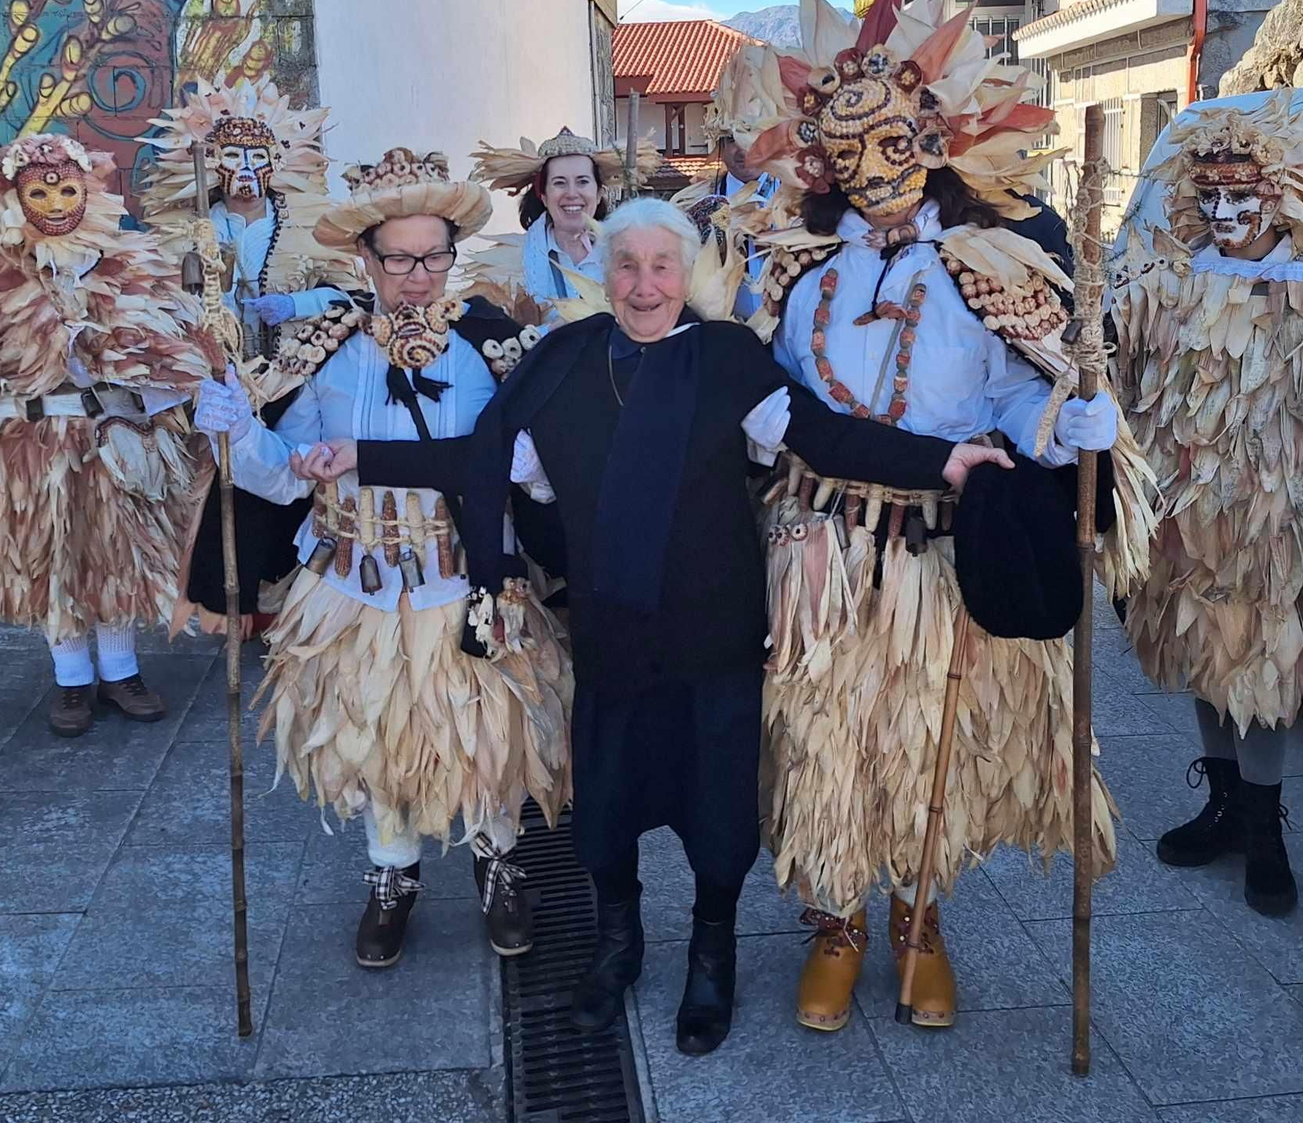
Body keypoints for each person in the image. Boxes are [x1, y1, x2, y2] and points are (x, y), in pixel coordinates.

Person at [360, 196, 1012, 1057]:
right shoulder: (560, 360)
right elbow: (482, 459)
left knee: (717, 815)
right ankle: (617, 946)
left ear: (688, 271)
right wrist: (355, 458)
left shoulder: (727, 358)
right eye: (626, 265)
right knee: (606, 810)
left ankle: (713, 954)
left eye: (662, 265)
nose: (643, 285)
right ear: (604, 272)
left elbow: (822, 438)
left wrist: (943, 459)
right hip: (612, 635)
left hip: (713, 635)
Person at [740, 0, 1142, 1035]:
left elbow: (1028, 388)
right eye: (846, 147)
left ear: (936, 138)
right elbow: (757, 388)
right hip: (820, 550)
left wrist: (1074, 423)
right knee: (823, 740)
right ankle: (838, 921)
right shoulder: (797, 270)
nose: (872, 168)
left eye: (893, 143)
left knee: (931, 745)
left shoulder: (984, 264)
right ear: (818, 156)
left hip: (938, 558)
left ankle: (920, 915)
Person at [191, 146, 564, 972]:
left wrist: (533, 469)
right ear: (365, 258)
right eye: (400, 259)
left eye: (435, 256)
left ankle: (497, 861)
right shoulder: (321, 351)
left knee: (483, 740)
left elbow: (535, 459)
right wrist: (232, 428)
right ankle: (392, 875)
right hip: (351, 592)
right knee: (372, 740)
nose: (420, 276)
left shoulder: (493, 343)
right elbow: (279, 477)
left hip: (467, 584)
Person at [1109, 91, 1303, 916]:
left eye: (1243, 197)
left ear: (1281, 196)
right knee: (1206, 658)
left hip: (1279, 521)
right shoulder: (1171, 281)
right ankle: (1226, 806)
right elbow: (1121, 360)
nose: (1225, 212)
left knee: (1268, 671)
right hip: (1190, 516)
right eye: (1210, 197)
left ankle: (1266, 825)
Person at [0, 135, 217, 736]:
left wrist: (179, 380)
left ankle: (121, 671)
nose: (55, 201)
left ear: (89, 192)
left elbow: (175, 351)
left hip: (117, 436)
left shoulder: (132, 264)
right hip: (28, 439)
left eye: (68, 188)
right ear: (15, 199)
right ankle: (71, 678)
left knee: (115, 553)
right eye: (40, 191)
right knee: (52, 557)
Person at [143, 78, 357, 638]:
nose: (243, 166)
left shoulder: (309, 225)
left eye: (255, 155)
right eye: (231, 154)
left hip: (293, 381)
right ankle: (231, 611)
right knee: (221, 501)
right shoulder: (191, 227)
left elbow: (351, 297)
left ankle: (287, 605)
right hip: (215, 385)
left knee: (286, 490)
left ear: (274, 161)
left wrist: (293, 303)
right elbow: (160, 301)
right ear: (212, 163)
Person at [465, 128, 658, 323]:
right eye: (559, 183)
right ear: (543, 196)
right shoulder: (509, 264)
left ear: (599, 194)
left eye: (582, 182)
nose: (572, 193)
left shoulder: (628, 253)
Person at [672, 43, 780, 319]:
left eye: (751, 138)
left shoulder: (798, 197)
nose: (742, 150)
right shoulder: (694, 204)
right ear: (719, 144)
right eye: (731, 140)